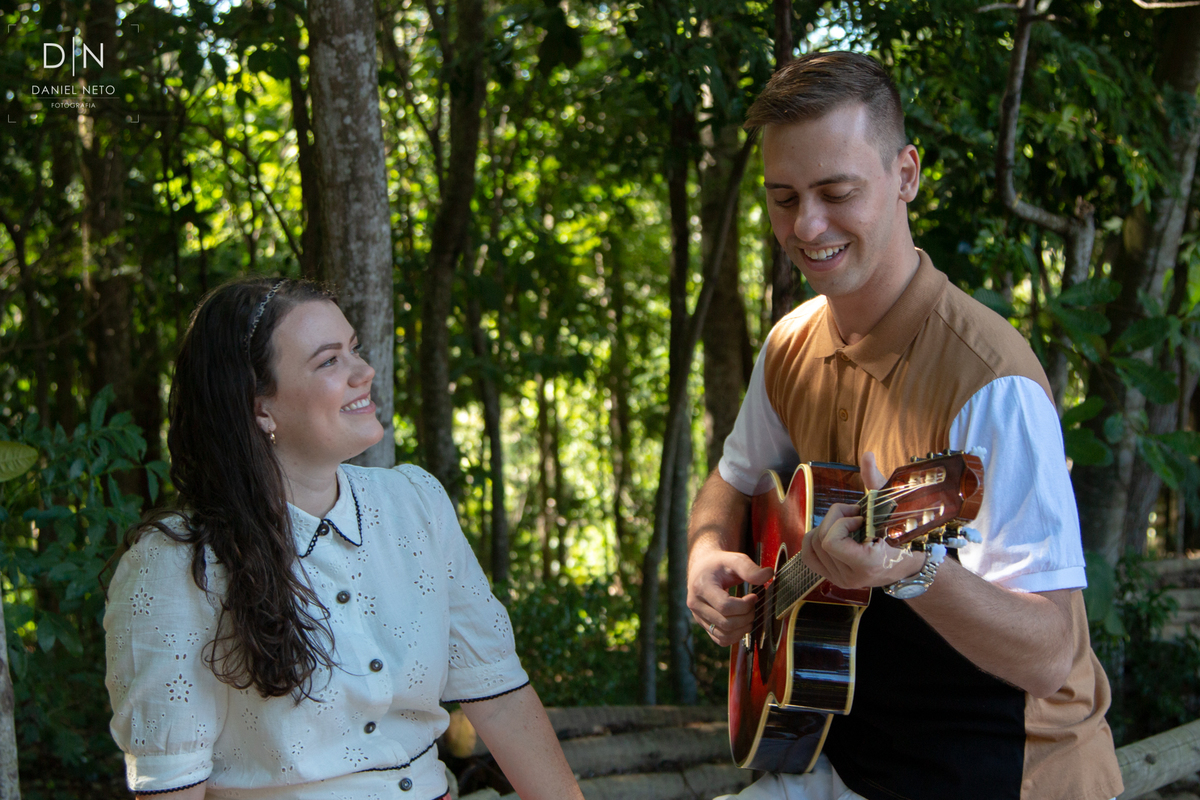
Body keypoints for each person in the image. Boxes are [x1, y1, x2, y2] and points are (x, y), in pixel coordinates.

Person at [686, 52, 1123, 800]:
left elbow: (1052, 655)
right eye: (784, 198)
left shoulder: (993, 384)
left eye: (835, 192)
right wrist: (703, 556)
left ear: (906, 176)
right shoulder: (791, 344)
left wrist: (915, 572)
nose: (807, 226)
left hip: (1006, 774)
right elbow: (728, 483)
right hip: (853, 759)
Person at [105, 278, 585, 800]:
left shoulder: (416, 503)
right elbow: (171, 786)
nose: (364, 371)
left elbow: (500, 698)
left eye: (353, 348)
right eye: (329, 361)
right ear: (260, 407)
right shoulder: (178, 565)